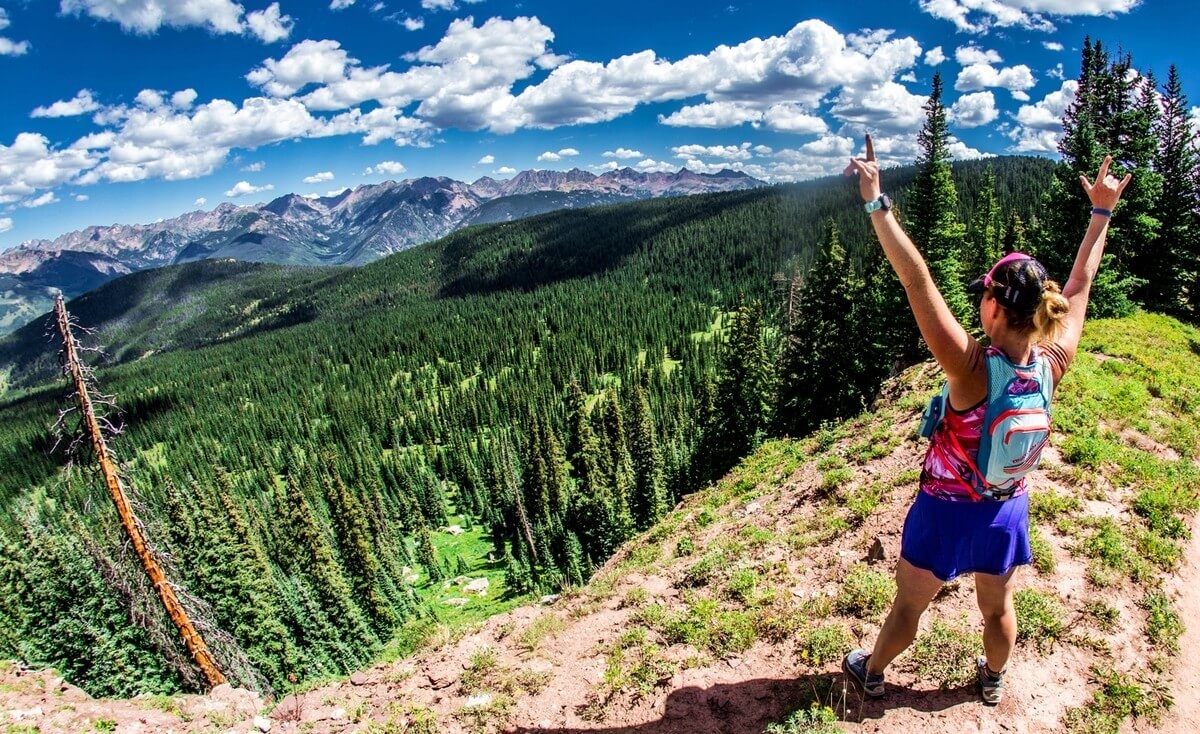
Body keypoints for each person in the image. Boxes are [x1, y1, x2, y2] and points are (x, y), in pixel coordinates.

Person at [839, 134, 1131, 705]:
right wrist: (1100, 212)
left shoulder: (972, 369)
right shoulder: (1052, 363)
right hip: (1006, 509)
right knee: (997, 607)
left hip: (944, 511)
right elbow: (1082, 284)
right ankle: (992, 680)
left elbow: (916, 280)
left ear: (992, 306)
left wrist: (877, 202)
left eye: (983, 297)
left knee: (908, 606)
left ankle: (871, 673)